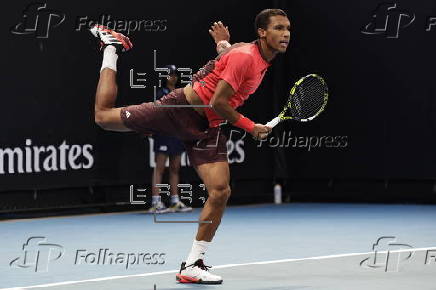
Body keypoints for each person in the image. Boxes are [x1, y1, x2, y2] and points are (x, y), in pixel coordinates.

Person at [90, 8, 290, 284]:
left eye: (287, 28)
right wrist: (250, 126)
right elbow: (218, 101)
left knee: (220, 191)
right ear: (262, 32)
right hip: (180, 110)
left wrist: (222, 45)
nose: (286, 34)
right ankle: (111, 48)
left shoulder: (254, 57)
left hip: (208, 128)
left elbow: (226, 61)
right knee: (103, 117)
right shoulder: (246, 57)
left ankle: (193, 264)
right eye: (279, 28)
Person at [148, 65, 192, 214]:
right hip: (163, 135)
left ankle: (174, 201)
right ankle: (156, 202)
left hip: (177, 135)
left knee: (175, 168)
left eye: (175, 74)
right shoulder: (160, 93)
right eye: (170, 74)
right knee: (159, 168)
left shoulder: (180, 93)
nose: (173, 77)